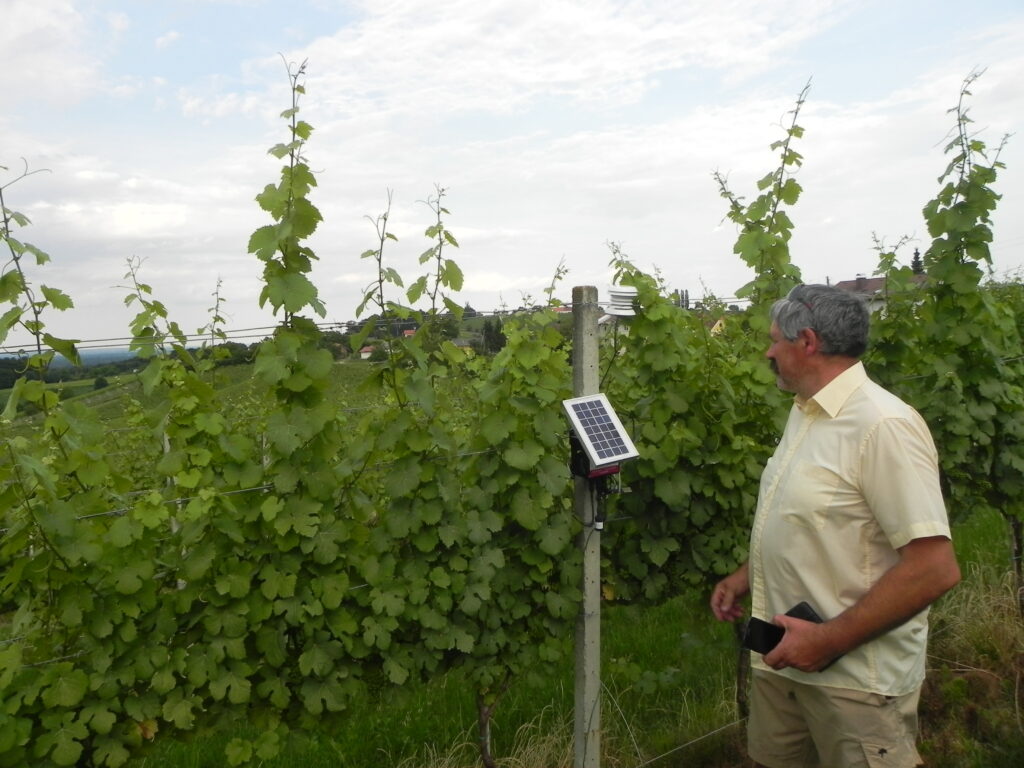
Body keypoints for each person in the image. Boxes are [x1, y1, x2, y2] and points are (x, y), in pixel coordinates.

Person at [710, 283, 961, 768]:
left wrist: (829, 641)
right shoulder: (806, 412)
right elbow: (808, 518)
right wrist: (748, 575)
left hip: (853, 683)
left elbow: (935, 568)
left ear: (806, 342)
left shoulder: (882, 425)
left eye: (774, 340)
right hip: (782, 662)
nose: (768, 352)